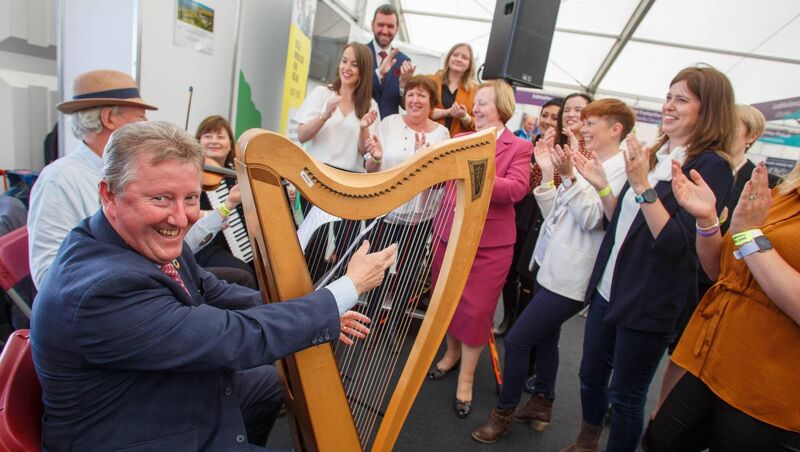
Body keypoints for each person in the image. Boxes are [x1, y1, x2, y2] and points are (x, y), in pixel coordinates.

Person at [30, 120, 398, 450]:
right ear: (109, 194)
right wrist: (347, 289)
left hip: (153, 386)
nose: (181, 218)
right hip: (132, 430)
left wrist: (312, 310)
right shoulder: (102, 290)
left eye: (190, 198)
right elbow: (234, 337)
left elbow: (214, 291)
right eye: (160, 198)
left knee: (269, 383)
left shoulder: (134, 239)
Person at [562, 66, 735, 452]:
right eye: (668, 96)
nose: (668, 106)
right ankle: (586, 441)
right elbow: (620, 221)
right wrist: (603, 186)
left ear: (709, 109)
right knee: (590, 376)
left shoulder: (712, 166)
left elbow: (677, 246)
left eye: (681, 100)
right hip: (610, 288)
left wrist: (641, 184)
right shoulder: (656, 153)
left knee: (625, 396)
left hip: (649, 300)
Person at [472, 99, 634, 443]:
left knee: (517, 340)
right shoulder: (592, 161)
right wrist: (548, 173)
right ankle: (542, 401)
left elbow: (593, 220)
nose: (583, 129)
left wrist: (571, 176)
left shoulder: (620, 170)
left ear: (616, 129)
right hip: (552, 264)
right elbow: (555, 214)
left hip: (574, 275)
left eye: (590, 123)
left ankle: (503, 413)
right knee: (547, 338)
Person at [643, 160, 800, 450]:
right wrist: (707, 220)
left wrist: (749, 235)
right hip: (712, 362)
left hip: (769, 394)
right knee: (659, 440)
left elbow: (750, 243)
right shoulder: (781, 194)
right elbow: (719, 269)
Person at [427, 80, 532, 418]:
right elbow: (441, 179)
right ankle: (451, 354)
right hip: (448, 234)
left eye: (484, 102)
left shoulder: (519, 147)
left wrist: (474, 173)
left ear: (502, 107)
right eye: (476, 102)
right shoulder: (460, 139)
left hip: (491, 246)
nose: (476, 108)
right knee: (446, 302)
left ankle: (467, 379)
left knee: (476, 312)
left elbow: (515, 189)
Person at [28, 69, 155, 288]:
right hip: (111, 297)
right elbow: (48, 275)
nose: (147, 125)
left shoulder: (129, 172)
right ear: (109, 118)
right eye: (140, 118)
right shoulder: (58, 179)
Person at [295, 42, 379, 174]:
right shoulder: (322, 93)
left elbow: (366, 152)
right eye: (344, 61)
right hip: (315, 174)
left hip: (349, 180)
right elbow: (302, 136)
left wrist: (364, 128)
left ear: (364, 70)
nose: (347, 67)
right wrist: (324, 116)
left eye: (354, 64)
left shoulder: (370, 105)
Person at [192, 115, 256, 283]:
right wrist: (209, 215)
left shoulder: (237, 174)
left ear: (230, 145)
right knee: (242, 271)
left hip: (239, 242)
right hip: (206, 245)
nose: (214, 141)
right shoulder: (190, 173)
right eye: (208, 136)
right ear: (198, 142)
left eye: (220, 137)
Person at [367, 4, 412, 119]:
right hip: (361, 123)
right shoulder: (359, 54)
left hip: (389, 126)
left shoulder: (403, 61)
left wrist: (403, 86)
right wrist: (378, 74)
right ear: (372, 25)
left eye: (390, 26)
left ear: (397, 29)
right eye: (381, 25)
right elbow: (352, 90)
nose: (385, 31)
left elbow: (405, 106)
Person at [430, 42, 477, 136]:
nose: (459, 59)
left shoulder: (475, 90)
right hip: (430, 138)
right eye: (455, 55)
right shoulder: (432, 81)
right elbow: (422, 110)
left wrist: (464, 116)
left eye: (464, 57)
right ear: (448, 58)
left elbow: (478, 123)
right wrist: (447, 112)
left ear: (470, 64)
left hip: (457, 143)